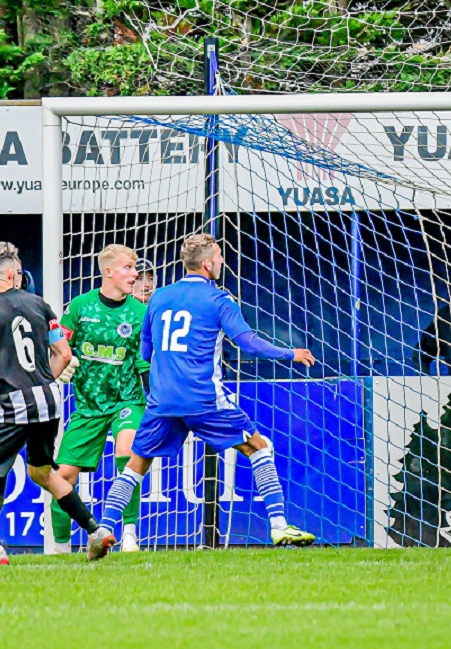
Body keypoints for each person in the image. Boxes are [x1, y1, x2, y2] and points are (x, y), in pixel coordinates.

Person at [89, 233, 316, 560]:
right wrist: (289, 353)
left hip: (162, 400)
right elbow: (248, 343)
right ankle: (279, 525)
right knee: (258, 447)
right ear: (208, 263)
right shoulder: (219, 300)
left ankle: (103, 530)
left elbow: (146, 351)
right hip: (203, 397)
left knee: (136, 464)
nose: (222, 262)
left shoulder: (159, 297)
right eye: (220, 257)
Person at [0, 242, 109, 558]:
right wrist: (41, 382)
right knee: (42, 473)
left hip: (12, 404)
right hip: (48, 401)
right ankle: (95, 531)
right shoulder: (39, 304)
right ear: (13, 273)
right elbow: (64, 354)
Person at [50, 244, 149, 554]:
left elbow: (144, 364)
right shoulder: (80, 307)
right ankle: (60, 547)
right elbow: (57, 344)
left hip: (127, 399)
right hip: (88, 406)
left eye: (136, 269)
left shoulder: (141, 312)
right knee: (62, 476)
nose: (135, 275)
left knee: (127, 450)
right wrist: (59, 366)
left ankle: (130, 534)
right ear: (108, 272)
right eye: (128, 268)